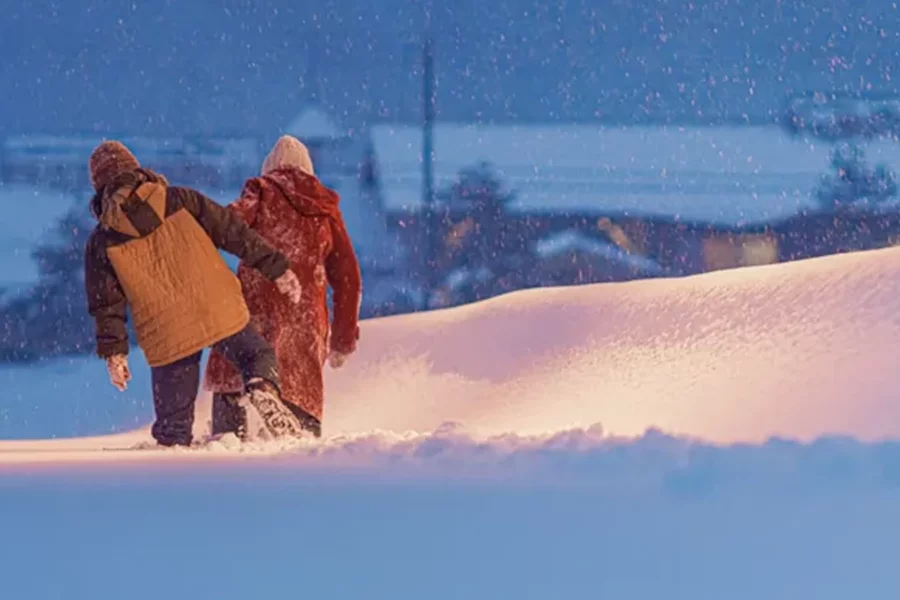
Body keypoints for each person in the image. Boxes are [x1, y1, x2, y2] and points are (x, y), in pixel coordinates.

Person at [83, 140, 308, 447]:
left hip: (167, 333)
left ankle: (173, 482)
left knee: (173, 432)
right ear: (135, 169)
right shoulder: (179, 199)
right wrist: (277, 268)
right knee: (256, 355)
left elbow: (106, 303)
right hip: (216, 306)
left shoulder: (101, 241)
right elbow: (233, 233)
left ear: (99, 186)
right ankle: (262, 389)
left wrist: (115, 353)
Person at [204, 135, 362, 439]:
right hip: (304, 325)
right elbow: (348, 280)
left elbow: (225, 223)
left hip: (250, 315)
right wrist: (343, 339)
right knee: (299, 411)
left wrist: (189, 221)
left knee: (236, 385)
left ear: (270, 168)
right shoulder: (326, 210)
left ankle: (229, 441)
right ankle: (298, 454)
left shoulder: (260, 193)